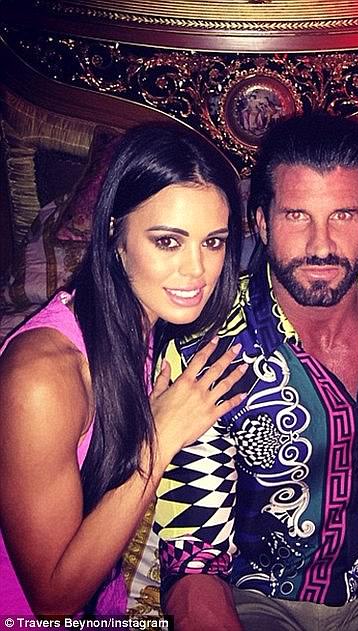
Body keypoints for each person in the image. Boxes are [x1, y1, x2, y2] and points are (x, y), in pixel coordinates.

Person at [152, 112, 358, 630]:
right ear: (262, 223)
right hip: (252, 599)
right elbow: (194, 558)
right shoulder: (208, 349)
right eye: (296, 215)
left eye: (343, 215)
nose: (320, 244)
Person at [0, 123, 247, 616]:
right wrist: (159, 441)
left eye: (213, 242)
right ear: (116, 234)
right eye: (168, 241)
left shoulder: (142, 326)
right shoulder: (40, 379)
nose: (196, 271)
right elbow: (53, 602)